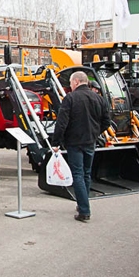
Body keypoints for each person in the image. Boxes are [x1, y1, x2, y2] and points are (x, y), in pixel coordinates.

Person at [50, 71, 111, 222]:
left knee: (77, 174)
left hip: (75, 142)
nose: (70, 86)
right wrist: (95, 133)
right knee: (86, 173)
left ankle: (84, 209)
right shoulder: (99, 99)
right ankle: (83, 203)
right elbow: (107, 121)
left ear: (76, 82)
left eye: (71, 83)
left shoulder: (70, 98)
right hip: (91, 141)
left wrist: (56, 142)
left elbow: (62, 122)